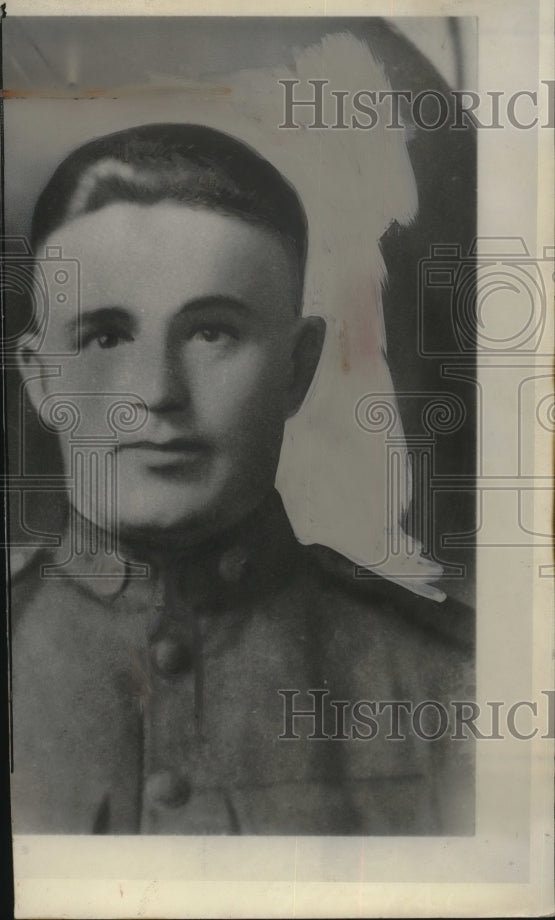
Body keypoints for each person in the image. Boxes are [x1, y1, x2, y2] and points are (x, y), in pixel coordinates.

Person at [10, 123, 473, 835]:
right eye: (105, 336)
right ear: (41, 382)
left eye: (210, 332)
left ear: (296, 367)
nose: (158, 392)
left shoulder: (448, 680)